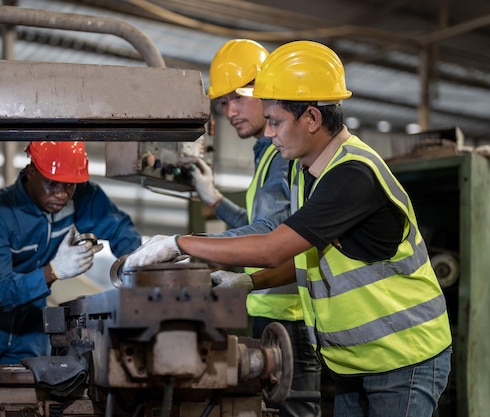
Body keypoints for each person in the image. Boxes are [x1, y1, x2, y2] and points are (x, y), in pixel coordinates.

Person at [124, 41, 452, 417]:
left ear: (311, 118)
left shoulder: (352, 175)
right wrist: (250, 283)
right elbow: (309, 257)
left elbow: (272, 247)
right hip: (355, 361)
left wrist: (180, 243)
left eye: (276, 122)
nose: (268, 133)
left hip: (403, 356)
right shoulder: (306, 172)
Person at [193, 38, 321, 416]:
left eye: (238, 97)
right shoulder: (267, 154)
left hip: (292, 316)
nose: (230, 110)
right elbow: (261, 224)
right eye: (223, 102)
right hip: (271, 308)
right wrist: (216, 202)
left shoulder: (282, 156)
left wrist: (189, 245)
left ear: (265, 91)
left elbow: (268, 234)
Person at [0, 141, 142, 364]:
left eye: (69, 186)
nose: (62, 195)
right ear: (31, 172)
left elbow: (120, 229)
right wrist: (53, 271)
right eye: (52, 183)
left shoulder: (81, 197)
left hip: (32, 331)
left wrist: (134, 268)